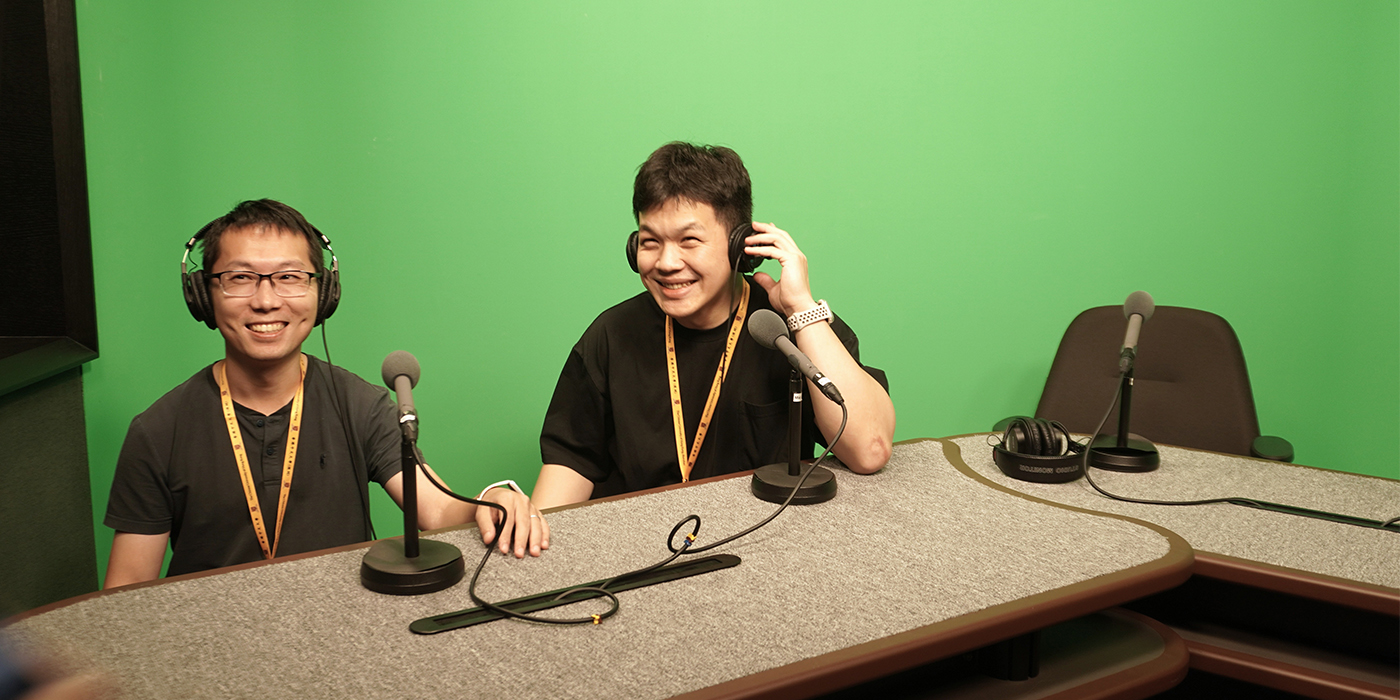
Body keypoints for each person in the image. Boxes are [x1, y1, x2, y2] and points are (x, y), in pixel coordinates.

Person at [102, 200, 548, 588]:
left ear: (325, 293)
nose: (266, 300)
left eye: (290, 277)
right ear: (203, 294)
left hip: (342, 630)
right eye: (240, 278)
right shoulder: (159, 430)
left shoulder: (361, 405)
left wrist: (493, 499)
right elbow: (128, 590)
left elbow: (435, 511)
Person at [532, 142, 895, 508]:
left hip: (767, 541)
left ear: (741, 245)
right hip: (642, 546)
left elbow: (870, 450)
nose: (667, 262)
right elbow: (569, 469)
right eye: (650, 241)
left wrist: (800, 308)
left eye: (689, 241)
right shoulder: (611, 335)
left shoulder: (790, 329)